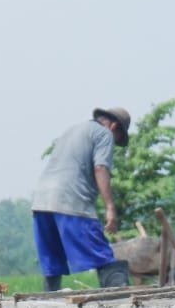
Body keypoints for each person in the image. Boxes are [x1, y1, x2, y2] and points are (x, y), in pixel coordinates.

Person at [31, 108, 132, 291]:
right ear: (114, 126)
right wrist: (110, 206)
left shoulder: (72, 130)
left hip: (41, 200)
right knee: (102, 255)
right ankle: (119, 299)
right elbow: (101, 168)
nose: (114, 142)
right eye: (117, 137)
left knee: (52, 263)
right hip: (71, 200)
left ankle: (50, 301)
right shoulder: (104, 134)